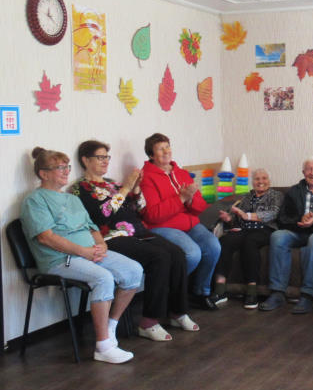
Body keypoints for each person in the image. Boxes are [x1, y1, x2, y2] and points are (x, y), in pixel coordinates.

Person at [20, 147, 142, 364]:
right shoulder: (35, 200)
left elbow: (92, 228)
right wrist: (83, 252)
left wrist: (101, 245)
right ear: (43, 174)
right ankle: (103, 346)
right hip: (59, 260)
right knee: (103, 278)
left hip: (89, 253)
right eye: (60, 168)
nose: (67, 171)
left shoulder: (72, 200)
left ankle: (110, 328)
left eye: (67, 167)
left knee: (133, 270)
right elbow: (46, 238)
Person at [72, 140, 199, 341]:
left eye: (107, 157)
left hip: (137, 231)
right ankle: (149, 322)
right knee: (159, 257)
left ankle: (178, 312)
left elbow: (138, 209)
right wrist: (126, 187)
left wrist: (137, 189)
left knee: (176, 253)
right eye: (100, 157)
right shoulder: (81, 188)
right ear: (85, 160)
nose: (105, 161)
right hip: (112, 237)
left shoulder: (112, 183)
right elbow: (102, 215)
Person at [139, 133, 222, 311]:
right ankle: (171, 294)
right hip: (162, 227)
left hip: (189, 224)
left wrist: (190, 199)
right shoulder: (145, 178)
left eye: (167, 147)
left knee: (213, 246)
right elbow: (152, 215)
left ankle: (200, 292)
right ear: (151, 155)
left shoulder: (182, 173)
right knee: (192, 254)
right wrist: (181, 199)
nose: (166, 151)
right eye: (160, 149)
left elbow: (200, 207)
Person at [260, 156, 313, 314]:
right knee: (278, 236)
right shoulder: (294, 191)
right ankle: (277, 292)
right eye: (309, 169)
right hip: (296, 232)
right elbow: (282, 219)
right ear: (303, 172)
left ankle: (307, 295)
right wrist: (300, 220)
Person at [212, 168, 283, 309]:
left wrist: (248, 216)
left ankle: (252, 291)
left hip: (265, 229)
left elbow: (273, 213)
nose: (260, 181)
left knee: (249, 242)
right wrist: (229, 219)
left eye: (264, 178)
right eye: (257, 179)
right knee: (225, 241)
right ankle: (220, 290)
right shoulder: (247, 197)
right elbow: (238, 219)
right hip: (244, 229)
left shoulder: (276, 195)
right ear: (253, 181)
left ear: (269, 181)